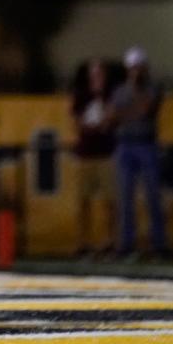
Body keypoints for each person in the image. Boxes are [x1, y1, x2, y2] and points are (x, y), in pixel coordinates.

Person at [110, 46, 166, 259]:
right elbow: (111, 117)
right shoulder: (119, 90)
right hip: (125, 145)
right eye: (133, 68)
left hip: (146, 145)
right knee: (125, 197)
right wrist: (126, 112)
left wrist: (124, 112)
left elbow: (146, 110)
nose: (136, 71)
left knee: (153, 195)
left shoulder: (152, 88)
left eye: (139, 67)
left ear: (145, 68)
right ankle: (126, 244)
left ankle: (159, 244)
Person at [71, 59, 117, 258]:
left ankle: (110, 240)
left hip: (106, 153)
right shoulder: (81, 96)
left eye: (100, 73)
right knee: (83, 200)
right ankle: (84, 241)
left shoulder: (111, 95)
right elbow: (76, 121)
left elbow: (112, 118)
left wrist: (104, 122)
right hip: (87, 154)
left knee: (110, 200)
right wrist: (93, 126)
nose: (97, 77)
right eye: (94, 73)